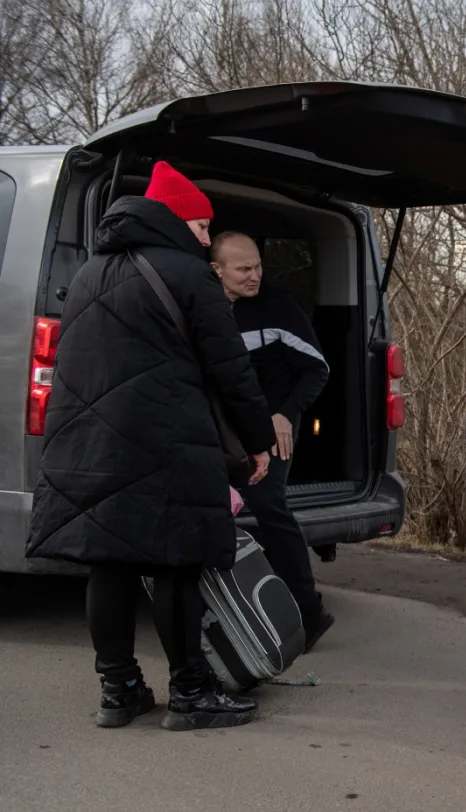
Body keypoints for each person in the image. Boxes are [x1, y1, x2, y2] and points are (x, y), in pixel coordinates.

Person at [27, 161, 276, 731]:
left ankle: (119, 692)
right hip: (167, 442)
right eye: (201, 226)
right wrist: (259, 441)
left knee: (108, 565)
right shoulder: (192, 277)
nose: (208, 238)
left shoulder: (90, 272)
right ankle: (190, 691)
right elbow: (231, 370)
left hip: (90, 443)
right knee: (177, 565)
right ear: (174, 221)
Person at [210, 232, 335, 649]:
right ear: (217, 270)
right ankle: (224, 610)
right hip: (222, 427)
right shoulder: (204, 307)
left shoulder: (278, 306)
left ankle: (309, 611)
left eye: (258, 266)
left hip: (275, 423)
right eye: (244, 269)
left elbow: (316, 369)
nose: (255, 276)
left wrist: (286, 412)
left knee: (268, 505)